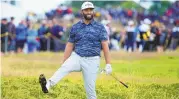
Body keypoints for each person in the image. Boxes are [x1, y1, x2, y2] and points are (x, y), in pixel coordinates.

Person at [39, 2, 112, 99]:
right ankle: (48, 85)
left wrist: (108, 64)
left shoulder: (100, 27)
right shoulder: (75, 27)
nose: (89, 12)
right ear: (82, 12)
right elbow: (69, 45)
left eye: (91, 10)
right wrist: (65, 61)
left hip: (92, 60)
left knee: (90, 90)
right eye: (86, 10)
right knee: (64, 68)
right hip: (77, 56)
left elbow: (105, 45)